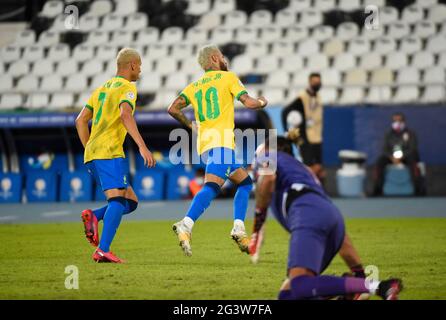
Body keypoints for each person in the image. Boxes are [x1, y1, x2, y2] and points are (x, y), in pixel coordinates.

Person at [249, 136, 403, 300]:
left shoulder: (269, 156)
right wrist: (358, 272)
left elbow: (268, 179)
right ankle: (351, 288)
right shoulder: (303, 172)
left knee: (299, 286)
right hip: (333, 218)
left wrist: (258, 223)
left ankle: (380, 287)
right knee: (288, 296)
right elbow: (339, 234)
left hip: (306, 213)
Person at [167, 44, 268, 256]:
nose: (224, 59)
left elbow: (173, 108)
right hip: (221, 142)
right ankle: (186, 223)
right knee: (212, 187)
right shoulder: (228, 77)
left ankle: (239, 229)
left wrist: (190, 125)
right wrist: (262, 101)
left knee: (245, 182)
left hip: (206, 144)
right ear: (214, 58)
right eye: (222, 56)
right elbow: (249, 103)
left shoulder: (194, 86)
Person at [75, 48, 156, 263]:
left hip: (93, 153)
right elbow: (125, 114)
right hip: (109, 152)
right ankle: (103, 250)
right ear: (131, 65)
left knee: (131, 202)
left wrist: (89, 148)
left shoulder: (101, 89)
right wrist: (142, 146)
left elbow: (80, 120)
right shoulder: (128, 87)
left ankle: (94, 216)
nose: (140, 70)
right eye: (139, 65)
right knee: (118, 201)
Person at [281, 73, 325, 184]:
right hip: (306, 137)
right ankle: (307, 185)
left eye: (318, 82)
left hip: (317, 137)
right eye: (314, 82)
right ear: (310, 82)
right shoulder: (302, 98)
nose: (317, 84)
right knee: (309, 165)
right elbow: (285, 112)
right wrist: (287, 130)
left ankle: (312, 185)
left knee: (318, 166)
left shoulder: (318, 97)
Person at [373, 112, 424, 196]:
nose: (397, 123)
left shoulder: (411, 133)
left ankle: (418, 190)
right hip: (391, 157)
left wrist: (402, 156)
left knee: (413, 161)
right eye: (395, 121)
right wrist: (392, 157)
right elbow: (384, 149)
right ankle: (377, 189)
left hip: (406, 157)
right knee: (379, 162)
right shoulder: (388, 134)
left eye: (399, 120)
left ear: (404, 121)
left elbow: (412, 148)